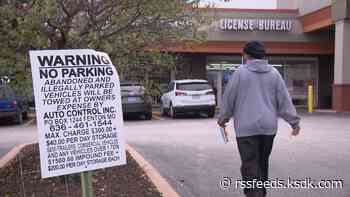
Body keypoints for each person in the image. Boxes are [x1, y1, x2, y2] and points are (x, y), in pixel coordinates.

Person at [217, 41, 301, 197]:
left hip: (246, 129)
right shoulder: (274, 74)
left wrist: (223, 119)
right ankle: (261, 193)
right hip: (268, 129)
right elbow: (284, 101)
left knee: (250, 166)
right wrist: (294, 122)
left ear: (247, 55)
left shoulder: (240, 73)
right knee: (261, 164)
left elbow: (229, 99)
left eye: (243, 54)